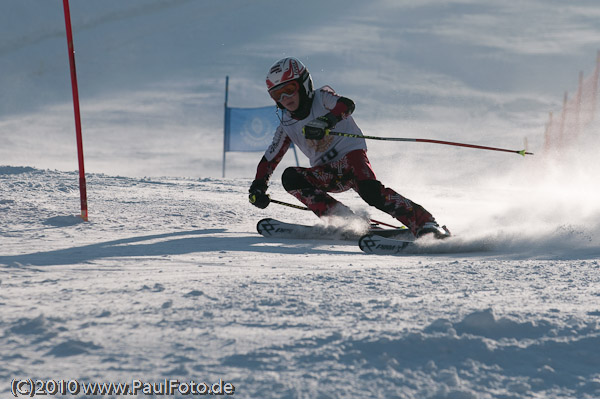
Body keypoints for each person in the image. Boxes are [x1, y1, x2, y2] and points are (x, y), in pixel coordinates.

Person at [248, 57, 449, 238]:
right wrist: (259, 186)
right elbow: (270, 158)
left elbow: (346, 104)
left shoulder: (322, 98)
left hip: (351, 159)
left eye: (289, 89)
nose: (285, 98)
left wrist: (327, 121)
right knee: (291, 177)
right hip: (326, 173)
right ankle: (347, 222)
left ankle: (425, 222)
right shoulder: (287, 124)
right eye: (277, 94)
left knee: (371, 192)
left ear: (303, 84)